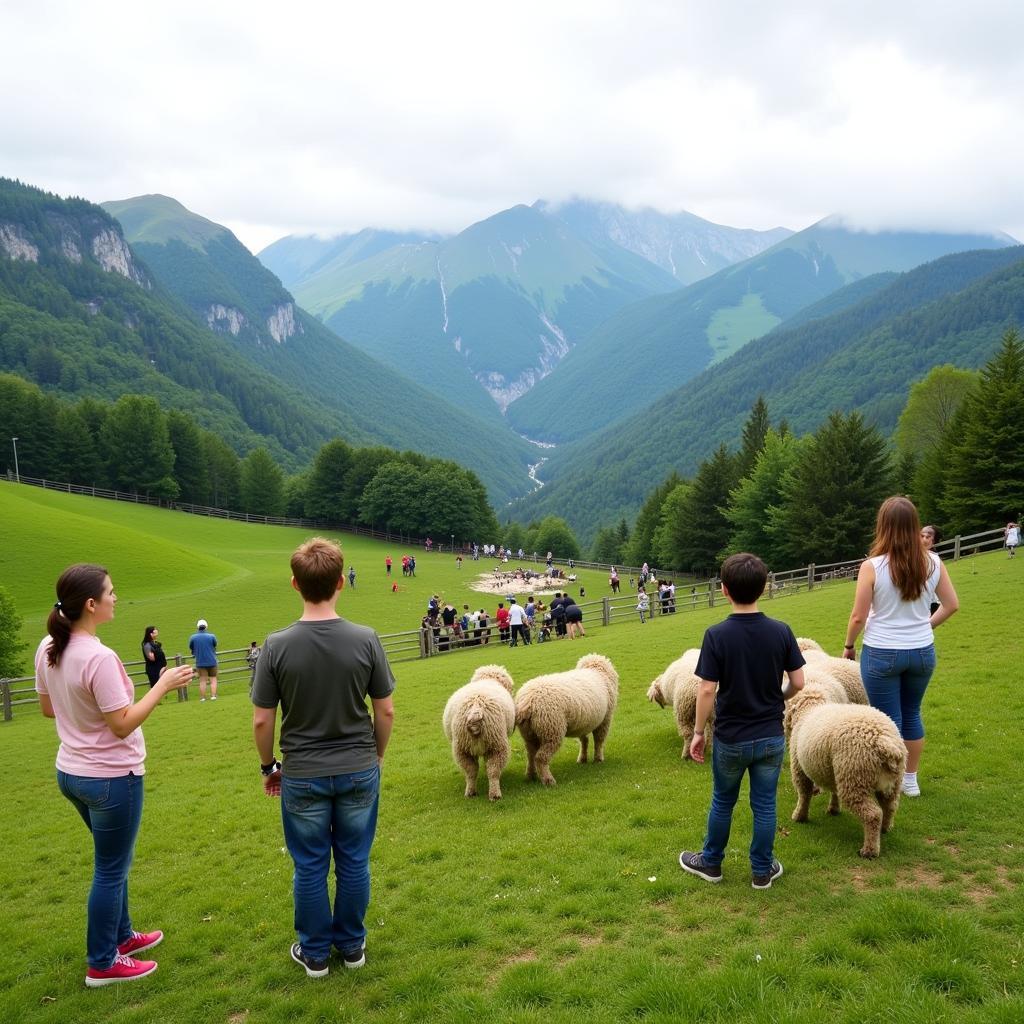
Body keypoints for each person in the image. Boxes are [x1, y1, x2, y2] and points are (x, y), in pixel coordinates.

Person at [36, 564, 192, 987]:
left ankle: (121, 938)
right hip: (110, 779)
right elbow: (122, 724)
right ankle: (102, 963)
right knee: (110, 869)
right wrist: (162, 685)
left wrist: (82, 720)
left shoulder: (50, 645)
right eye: (111, 592)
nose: (116, 597)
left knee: (113, 864)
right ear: (91, 604)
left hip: (71, 772)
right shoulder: (98, 657)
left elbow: (50, 708)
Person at [252, 537, 395, 979]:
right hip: (357, 767)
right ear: (341, 582)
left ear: (295, 584)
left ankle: (315, 954)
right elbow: (385, 709)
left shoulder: (275, 646)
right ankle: (352, 947)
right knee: (354, 858)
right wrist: (376, 756)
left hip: (302, 773)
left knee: (310, 864)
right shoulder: (366, 639)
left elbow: (262, 721)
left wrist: (269, 766)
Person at [679, 553, 806, 890]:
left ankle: (711, 863)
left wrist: (697, 733)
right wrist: (777, 697)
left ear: (723, 590)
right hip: (769, 736)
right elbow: (799, 682)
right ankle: (762, 871)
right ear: (764, 587)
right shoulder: (781, 631)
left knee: (723, 799)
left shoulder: (716, 635)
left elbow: (707, 689)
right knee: (764, 803)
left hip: (731, 737)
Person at [843, 496, 959, 797]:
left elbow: (858, 615)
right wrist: (924, 627)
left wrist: (849, 646)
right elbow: (951, 605)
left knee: (886, 719)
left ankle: (888, 783)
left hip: (882, 652)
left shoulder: (872, 566)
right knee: (911, 712)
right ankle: (910, 780)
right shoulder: (933, 562)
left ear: (883, 526)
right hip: (922, 652)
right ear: (914, 526)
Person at [188, 619, 218, 701]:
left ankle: (203, 698)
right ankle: (213, 696)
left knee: (202, 680)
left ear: (198, 627)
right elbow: (215, 645)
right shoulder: (212, 636)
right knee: (213, 679)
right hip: (212, 661)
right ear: (206, 627)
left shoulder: (193, 637)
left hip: (200, 662)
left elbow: (191, 647)